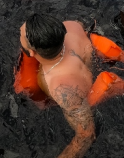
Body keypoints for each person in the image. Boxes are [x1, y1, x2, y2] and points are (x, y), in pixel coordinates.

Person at [20, 14, 96, 157]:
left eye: (21, 36)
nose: (20, 34)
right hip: (83, 59)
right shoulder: (71, 25)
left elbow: (86, 134)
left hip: (80, 90)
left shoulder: (62, 88)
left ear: (32, 52)